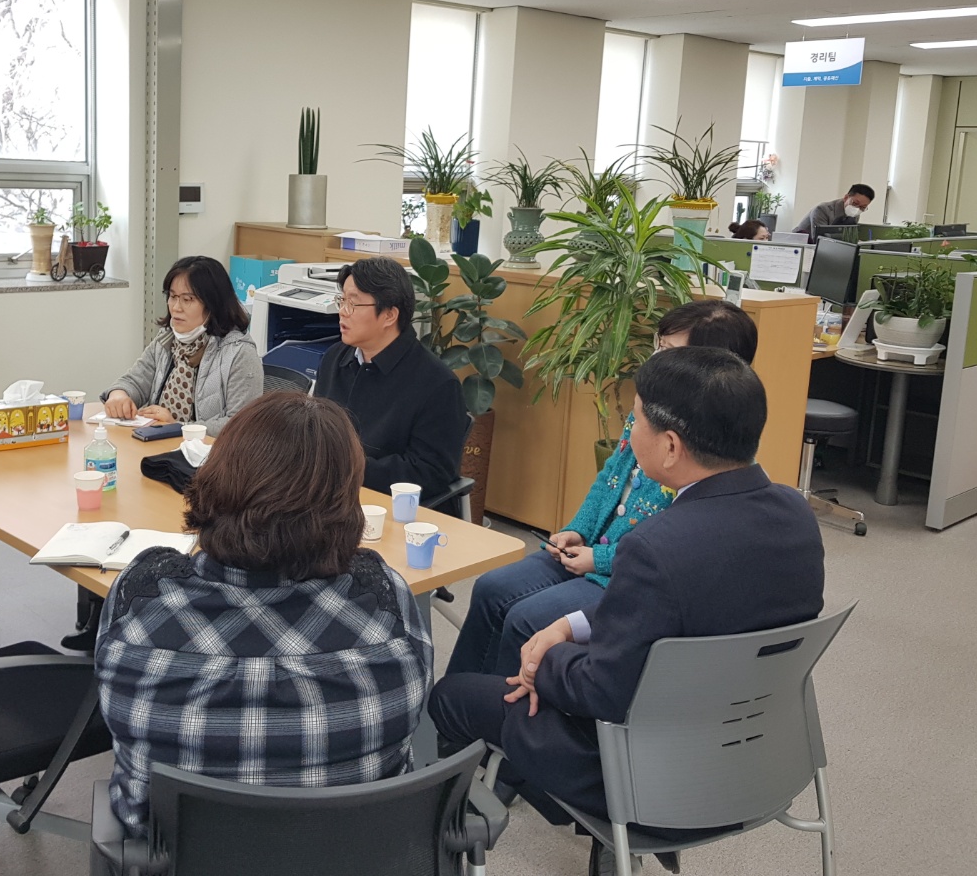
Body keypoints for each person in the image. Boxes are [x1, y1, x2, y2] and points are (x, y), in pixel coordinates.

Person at [429, 347, 824, 871]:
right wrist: (570, 626)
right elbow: (694, 605)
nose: (629, 430)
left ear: (670, 446)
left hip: (650, 780)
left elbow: (601, 691)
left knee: (453, 695)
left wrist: (540, 662)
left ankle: (431, 827)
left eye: (636, 419)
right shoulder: (796, 514)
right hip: (762, 761)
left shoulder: (657, 545)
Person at [95, 391, 433, 838]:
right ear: (345, 504)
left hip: (171, 858)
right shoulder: (387, 604)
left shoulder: (140, 600)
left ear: (214, 477)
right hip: (356, 854)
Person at [445, 300, 759, 678]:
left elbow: (667, 550)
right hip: (591, 550)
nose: (655, 358)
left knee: (527, 618)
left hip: (623, 575)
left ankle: (503, 706)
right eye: (658, 345)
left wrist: (600, 559)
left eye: (669, 350)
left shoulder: (710, 451)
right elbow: (611, 477)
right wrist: (578, 530)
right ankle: (461, 700)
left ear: (711, 365)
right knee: (492, 588)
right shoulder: (652, 408)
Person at [313, 256, 469, 500]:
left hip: (387, 504)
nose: (342, 312)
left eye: (353, 303)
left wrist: (346, 468)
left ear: (389, 315)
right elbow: (315, 432)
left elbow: (429, 472)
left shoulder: (437, 383)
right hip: (325, 494)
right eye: (342, 300)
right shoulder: (336, 358)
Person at [103, 255, 262, 436]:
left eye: (187, 299)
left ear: (213, 304)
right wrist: (119, 395)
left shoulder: (239, 353)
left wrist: (178, 427)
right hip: (160, 441)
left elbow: (242, 426)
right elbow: (135, 381)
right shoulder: (167, 339)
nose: (176, 307)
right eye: (173, 297)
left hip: (208, 451)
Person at [792, 184, 875, 241]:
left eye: (863, 207)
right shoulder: (822, 210)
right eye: (855, 203)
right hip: (802, 245)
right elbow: (820, 240)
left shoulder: (855, 214)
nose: (857, 209)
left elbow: (848, 237)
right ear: (846, 197)